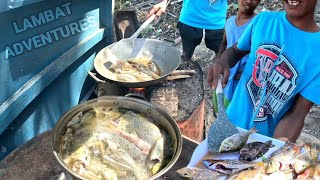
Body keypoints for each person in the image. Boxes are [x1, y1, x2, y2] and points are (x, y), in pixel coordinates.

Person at [207, 0, 320, 142]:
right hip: (229, 123)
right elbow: (236, 51)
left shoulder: (317, 51)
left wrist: (275, 149)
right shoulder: (263, 21)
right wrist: (223, 61)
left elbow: (297, 113)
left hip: (263, 141)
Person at [214, 0, 260, 110]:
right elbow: (224, 43)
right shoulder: (229, 22)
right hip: (226, 73)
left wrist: (250, 71)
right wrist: (218, 61)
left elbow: (261, 54)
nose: (249, 1)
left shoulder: (258, 24)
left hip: (243, 78)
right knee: (221, 103)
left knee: (237, 108)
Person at [147, 0, 228, 60]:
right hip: (190, 18)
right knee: (186, 53)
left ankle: (219, 75)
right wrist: (164, 1)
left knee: (220, 53)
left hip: (217, 20)